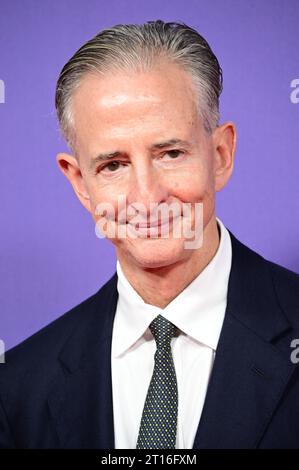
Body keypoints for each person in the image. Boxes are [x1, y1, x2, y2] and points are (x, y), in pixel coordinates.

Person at [0, 20, 299, 450]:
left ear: (220, 156)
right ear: (80, 183)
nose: (146, 196)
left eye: (171, 153)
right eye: (113, 165)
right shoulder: (19, 387)